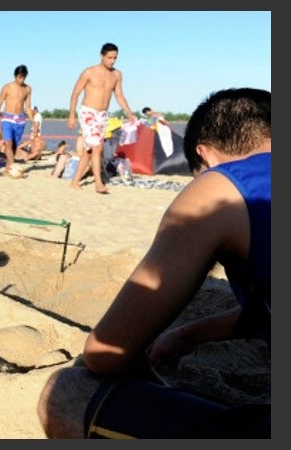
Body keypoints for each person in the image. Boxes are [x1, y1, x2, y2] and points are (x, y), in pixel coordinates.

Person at [37, 88, 271, 438]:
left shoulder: (222, 187)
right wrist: (188, 335)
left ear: (204, 155)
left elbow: (104, 353)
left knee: (67, 391)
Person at [67, 42, 137, 194]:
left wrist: (130, 114)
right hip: (88, 113)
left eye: (115, 58)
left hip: (102, 115)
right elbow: (75, 94)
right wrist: (72, 115)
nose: (112, 61)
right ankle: (98, 183)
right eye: (109, 57)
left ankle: (74, 182)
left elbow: (119, 96)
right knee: (98, 147)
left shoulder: (117, 74)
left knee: (89, 151)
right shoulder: (89, 72)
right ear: (102, 56)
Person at [0, 65, 33, 175]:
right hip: (7, 118)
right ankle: (13, 167)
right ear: (15, 76)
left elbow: (28, 107)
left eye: (24, 77)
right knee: (8, 144)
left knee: (15, 146)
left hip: (20, 119)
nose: (21, 80)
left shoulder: (28, 89)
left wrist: (33, 121)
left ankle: (8, 167)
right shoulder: (7, 87)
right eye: (19, 77)